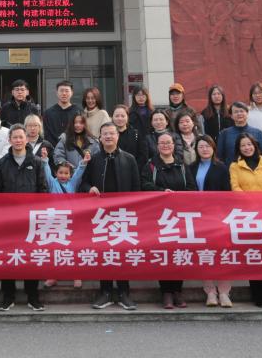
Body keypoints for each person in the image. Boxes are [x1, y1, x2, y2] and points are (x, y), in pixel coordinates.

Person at [82, 123, 142, 311]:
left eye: (111, 133)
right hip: (100, 215)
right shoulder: (94, 159)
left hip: (123, 214)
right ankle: (105, 292)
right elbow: (84, 183)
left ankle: (124, 293)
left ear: (118, 136)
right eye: (105, 134)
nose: (108, 136)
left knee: (122, 252)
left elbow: (136, 187)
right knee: (104, 253)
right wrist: (89, 188)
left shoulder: (129, 159)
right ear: (100, 137)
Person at [0, 125, 49, 311]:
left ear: (26, 139)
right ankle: (8, 296)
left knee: (31, 257)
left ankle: (33, 296)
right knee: (8, 257)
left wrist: (38, 214)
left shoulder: (37, 162)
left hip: (30, 219)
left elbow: (43, 189)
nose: (18, 140)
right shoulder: (2, 163)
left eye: (21, 137)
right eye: (14, 137)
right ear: (9, 140)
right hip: (8, 220)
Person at [142, 132, 195, 309]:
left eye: (168, 143)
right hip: (159, 217)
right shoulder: (151, 165)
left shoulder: (182, 165)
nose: (165, 146)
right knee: (163, 254)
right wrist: (161, 192)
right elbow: (145, 185)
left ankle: (177, 291)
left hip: (181, 216)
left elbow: (192, 187)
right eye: (162, 143)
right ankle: (166, 292)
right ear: (157, 146)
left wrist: (178, 196)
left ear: (174, 145)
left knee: (179, 254)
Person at [229, 134, 262, 307]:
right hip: (248, 217)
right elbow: (235, 188)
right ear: (239, 149)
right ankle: (260, 295)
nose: (247, 148)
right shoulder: (235, 166)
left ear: (255, 146)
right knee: (254, 255)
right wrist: (253, 204)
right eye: (243, 145)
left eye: (249, 144)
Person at [186, 135, 232, 307]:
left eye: (207, 146)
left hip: (218, 216)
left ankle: (224, 292)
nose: (204, 149)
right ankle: (210, 292)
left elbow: (227, 193)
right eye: (201, 146)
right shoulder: (191, 168)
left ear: (213, 148)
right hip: (198, 216)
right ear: (196, 150)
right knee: (205, 254)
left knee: (222, 254)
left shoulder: (221, 168)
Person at [38, 144, 90, 289]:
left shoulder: (73, 183)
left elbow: (79, 172)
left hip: (71, 221)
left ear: (70, 175)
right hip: (54, 221)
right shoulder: (52, 183)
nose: (63, 175)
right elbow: (46, 171)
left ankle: (76, 275)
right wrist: (45, 160)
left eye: (66, 173)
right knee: (54, 249)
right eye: (60, 172)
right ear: (56, 173)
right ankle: (53, 276)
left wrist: (84, 162)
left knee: (74, 249)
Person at [43, 80, 81, 144]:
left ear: (72, 93)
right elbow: (47, 135)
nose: (64, 93)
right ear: (57, 93)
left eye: (67, 91)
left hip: (73, 147)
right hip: (52, 148)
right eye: (61, 91)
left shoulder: (77, 112)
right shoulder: (48, 113)